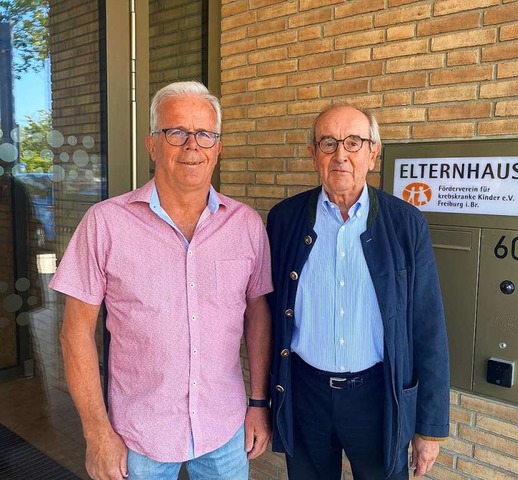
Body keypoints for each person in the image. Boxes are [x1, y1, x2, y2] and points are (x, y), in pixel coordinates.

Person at [51, 81, 273, 480]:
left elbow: (257, 314)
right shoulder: (105, 223)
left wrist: (258, 402)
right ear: (152, 144)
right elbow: (75, 333)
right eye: (176, 132)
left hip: (225, 430)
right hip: (138, 438)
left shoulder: (247, 226)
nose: (192, 146)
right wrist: (97, 433)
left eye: (205, 134)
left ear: (218, 148)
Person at [266, 104, 450, 479]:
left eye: (353, 142)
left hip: (378, 397)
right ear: (313, 153)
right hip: (305, 396)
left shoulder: (406, 225)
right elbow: (269, 313)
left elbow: (428, 326)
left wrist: (429, 428)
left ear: (373, 152)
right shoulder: (284, 220)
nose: (341, 155)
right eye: (328, 143)